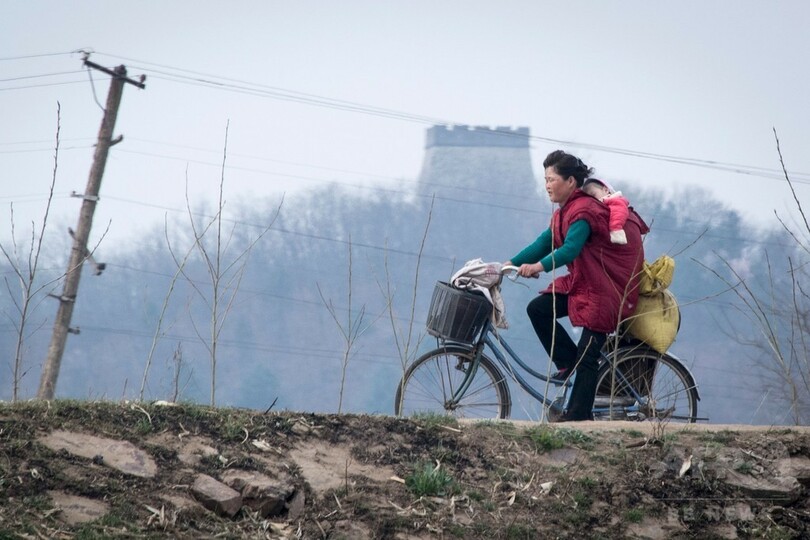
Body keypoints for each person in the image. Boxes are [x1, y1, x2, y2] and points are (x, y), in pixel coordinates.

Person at [504, 150, 649, 421]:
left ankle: (578, 416)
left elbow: (570, 250)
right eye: (545, 180)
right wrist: (508, 264)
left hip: (605, 291)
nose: (547, 185)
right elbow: (544, 242)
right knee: (538, 309)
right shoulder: (564, 213)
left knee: (588, 355)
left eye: (552, 179)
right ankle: (567, 362)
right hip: (585, 284)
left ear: (571, 181)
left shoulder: (583, 211)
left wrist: (538, 267)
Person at [582, 178, 629, 245]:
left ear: (606, 190)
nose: (592, 200)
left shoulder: (615, 201)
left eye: (593, 195)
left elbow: (619, 213)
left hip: (617, 236)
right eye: (588, 199)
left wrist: (616, 230)